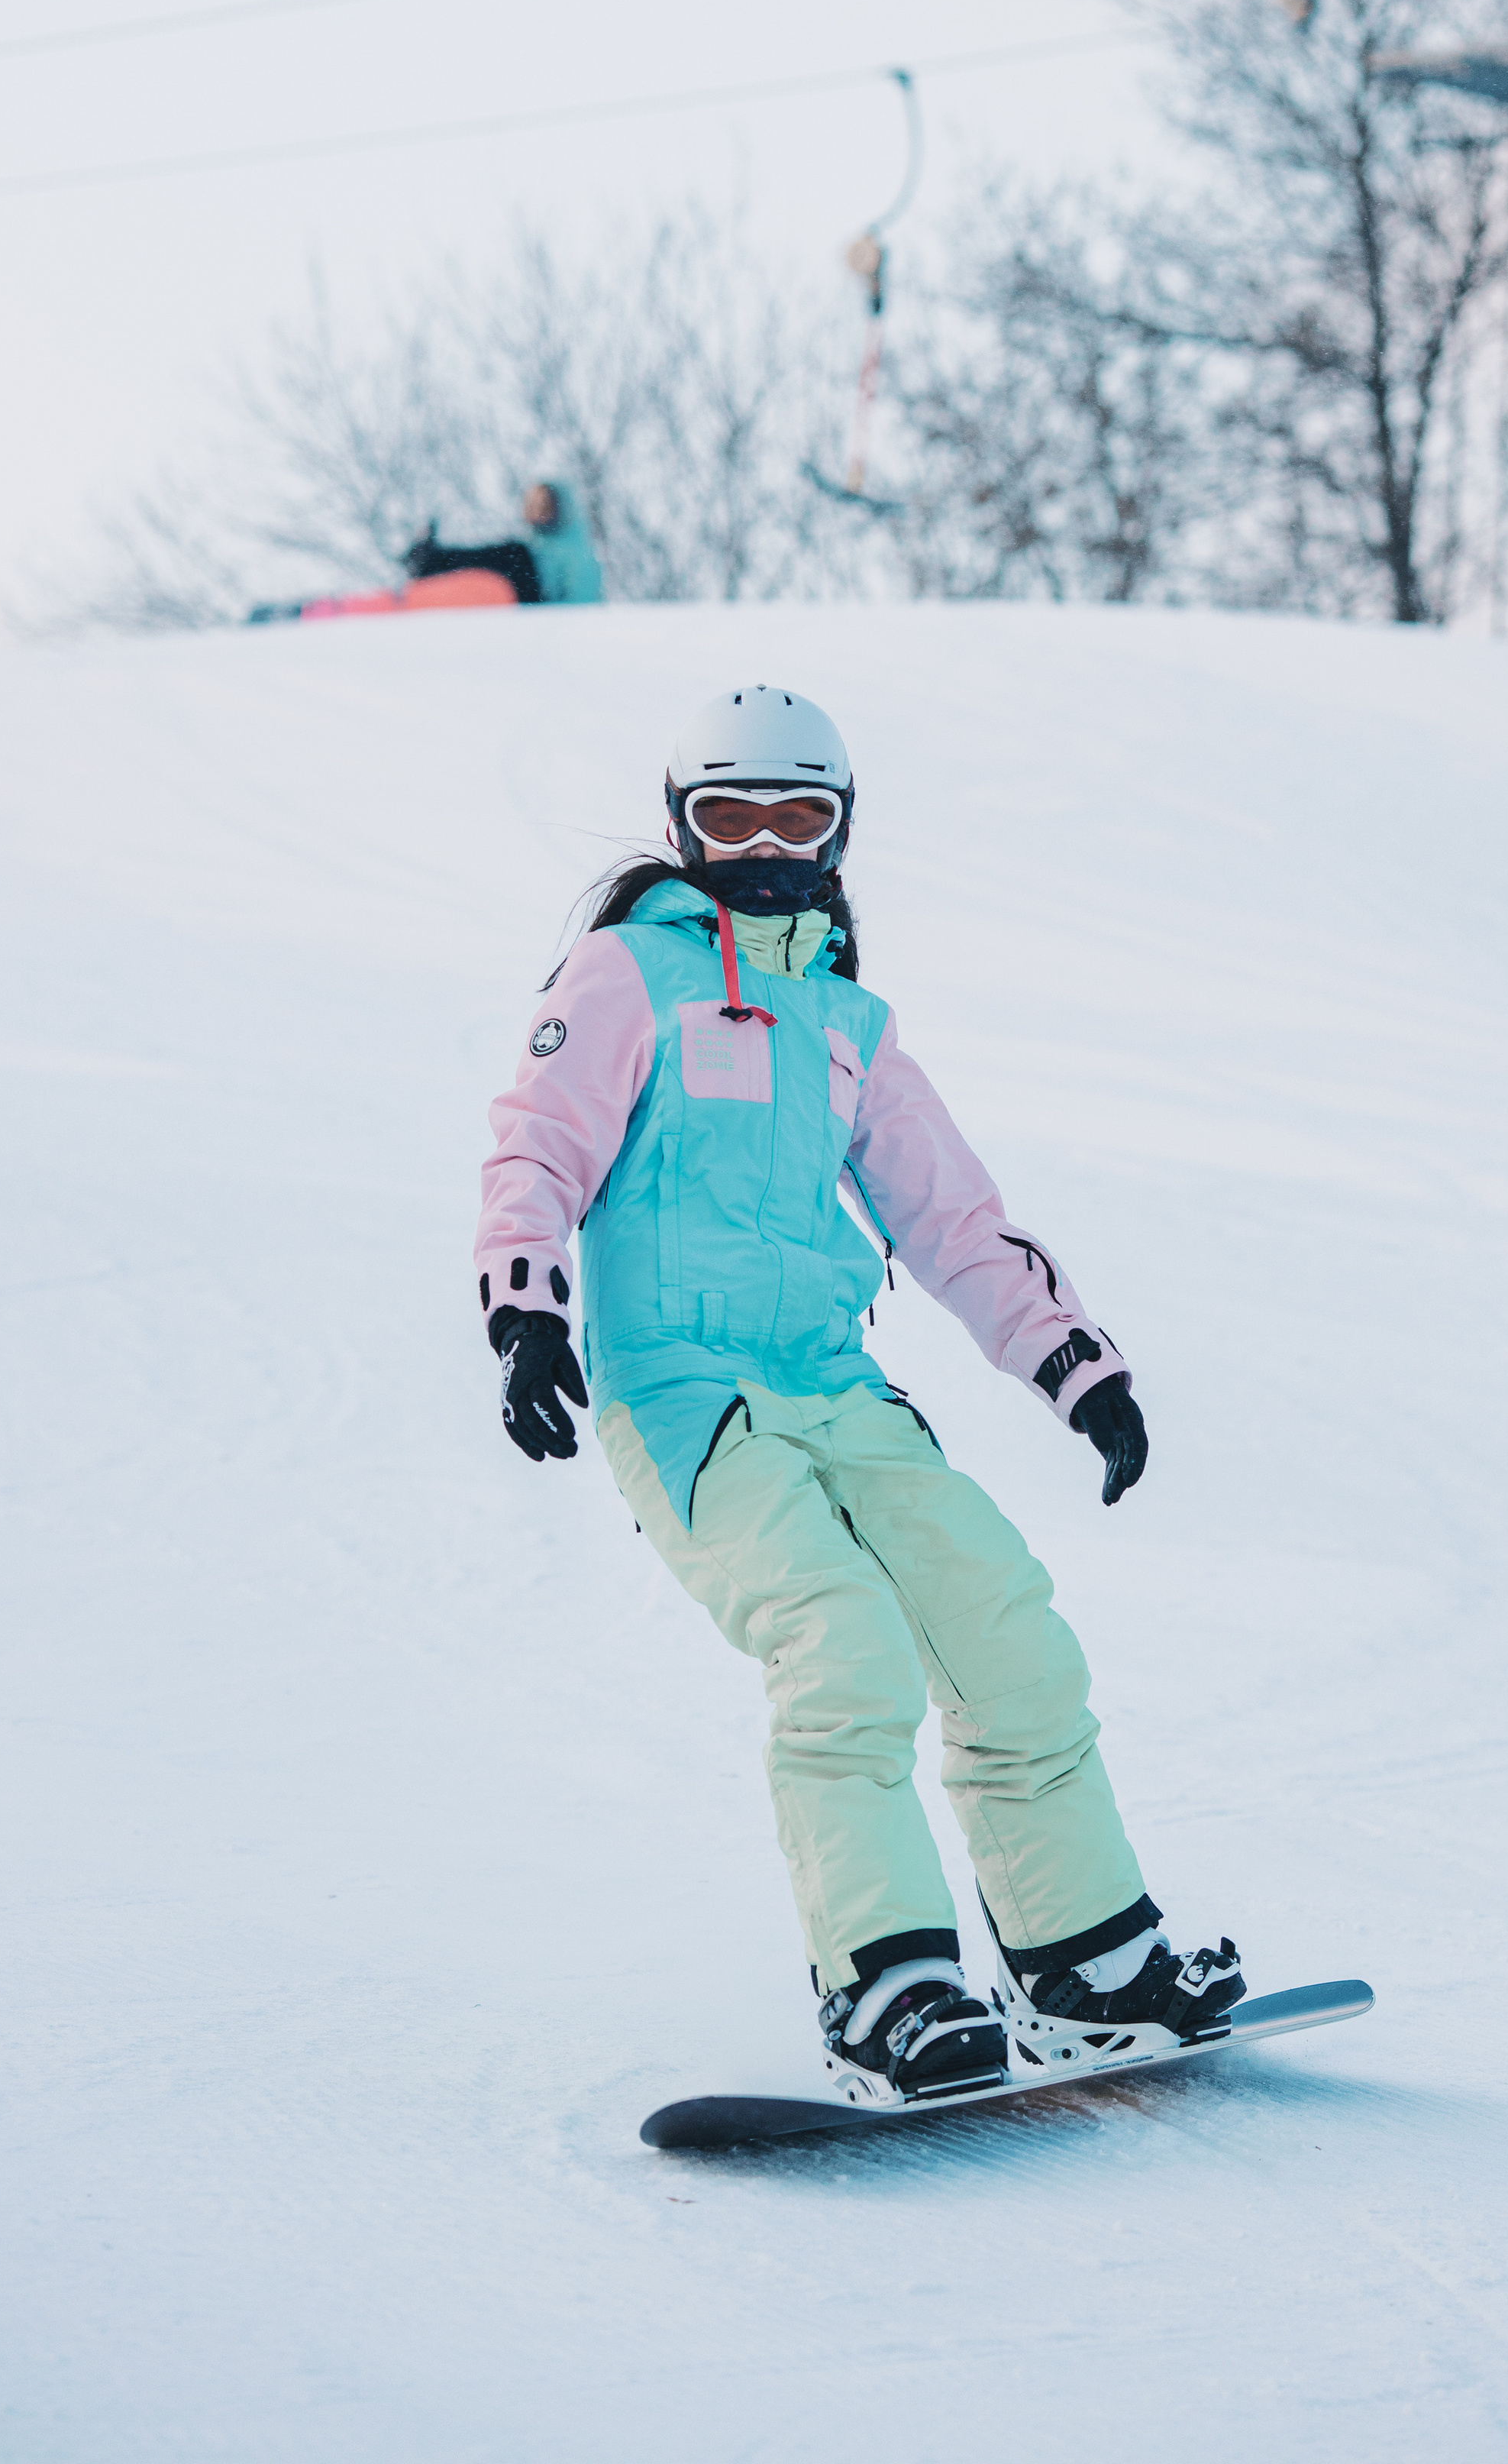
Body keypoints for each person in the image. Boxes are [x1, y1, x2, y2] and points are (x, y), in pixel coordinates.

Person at [475, 684, 1243, 2105]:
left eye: (797, 818)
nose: (766, 847)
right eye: (733, 818)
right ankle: (889, 1984)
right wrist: (526, 1309)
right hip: (685, 1394)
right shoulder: (623, 976)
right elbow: (539, 1145)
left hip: (835, 1383)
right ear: (683, 827)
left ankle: (1088, 1964)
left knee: (1007, 1636)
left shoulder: (848, 1023)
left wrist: (1077, 1367)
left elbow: (954, 1218)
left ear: (839, 833)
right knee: (843, 1648)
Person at [405, 480, 605, 607]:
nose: (537, 512)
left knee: (514, 553)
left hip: (542, 606)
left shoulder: (579, 554)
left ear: (562, 508)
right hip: (524, 593)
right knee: (501, 555)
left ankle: (433, 561)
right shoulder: (536, 543)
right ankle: (432, 563)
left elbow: (583, 605)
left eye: (544, 506)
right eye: (532, 505)